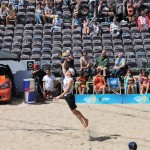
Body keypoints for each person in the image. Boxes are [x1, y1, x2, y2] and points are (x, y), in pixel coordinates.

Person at [54, 59, 88, 129]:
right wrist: (66, 59)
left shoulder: (71, 80)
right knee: (74, 111)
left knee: (74, 111)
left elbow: (66, 90)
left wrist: (59, 97)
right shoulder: (66, 77)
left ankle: (85, 120)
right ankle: (84, 121)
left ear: (70, 73)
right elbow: (63, 67)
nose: (66, 71)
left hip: (70, 96)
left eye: (68, 71)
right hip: (67, 96)